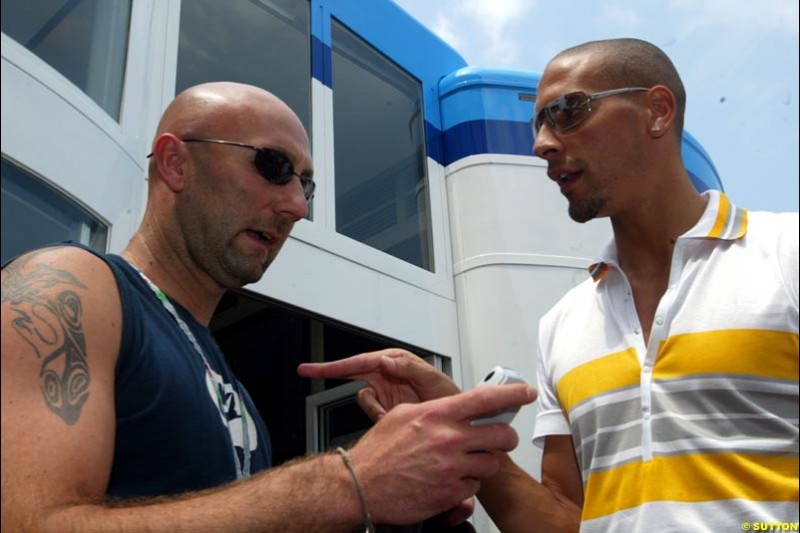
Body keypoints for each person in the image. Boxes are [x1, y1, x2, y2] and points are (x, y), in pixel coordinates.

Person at [299, 38, 799, 532]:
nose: (541, 144)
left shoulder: (786, 253)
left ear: (657, 111)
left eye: (566, 112)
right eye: (537, 124)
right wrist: (461, 432)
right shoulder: (563, 324)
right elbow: (566, 521)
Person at [0, 82, 538, 531]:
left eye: (307, 185)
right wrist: (349, 481)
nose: (297, 207)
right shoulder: (67, 286)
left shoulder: (225, 381)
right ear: (175, 163)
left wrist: (401, 501)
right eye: (273, 166)